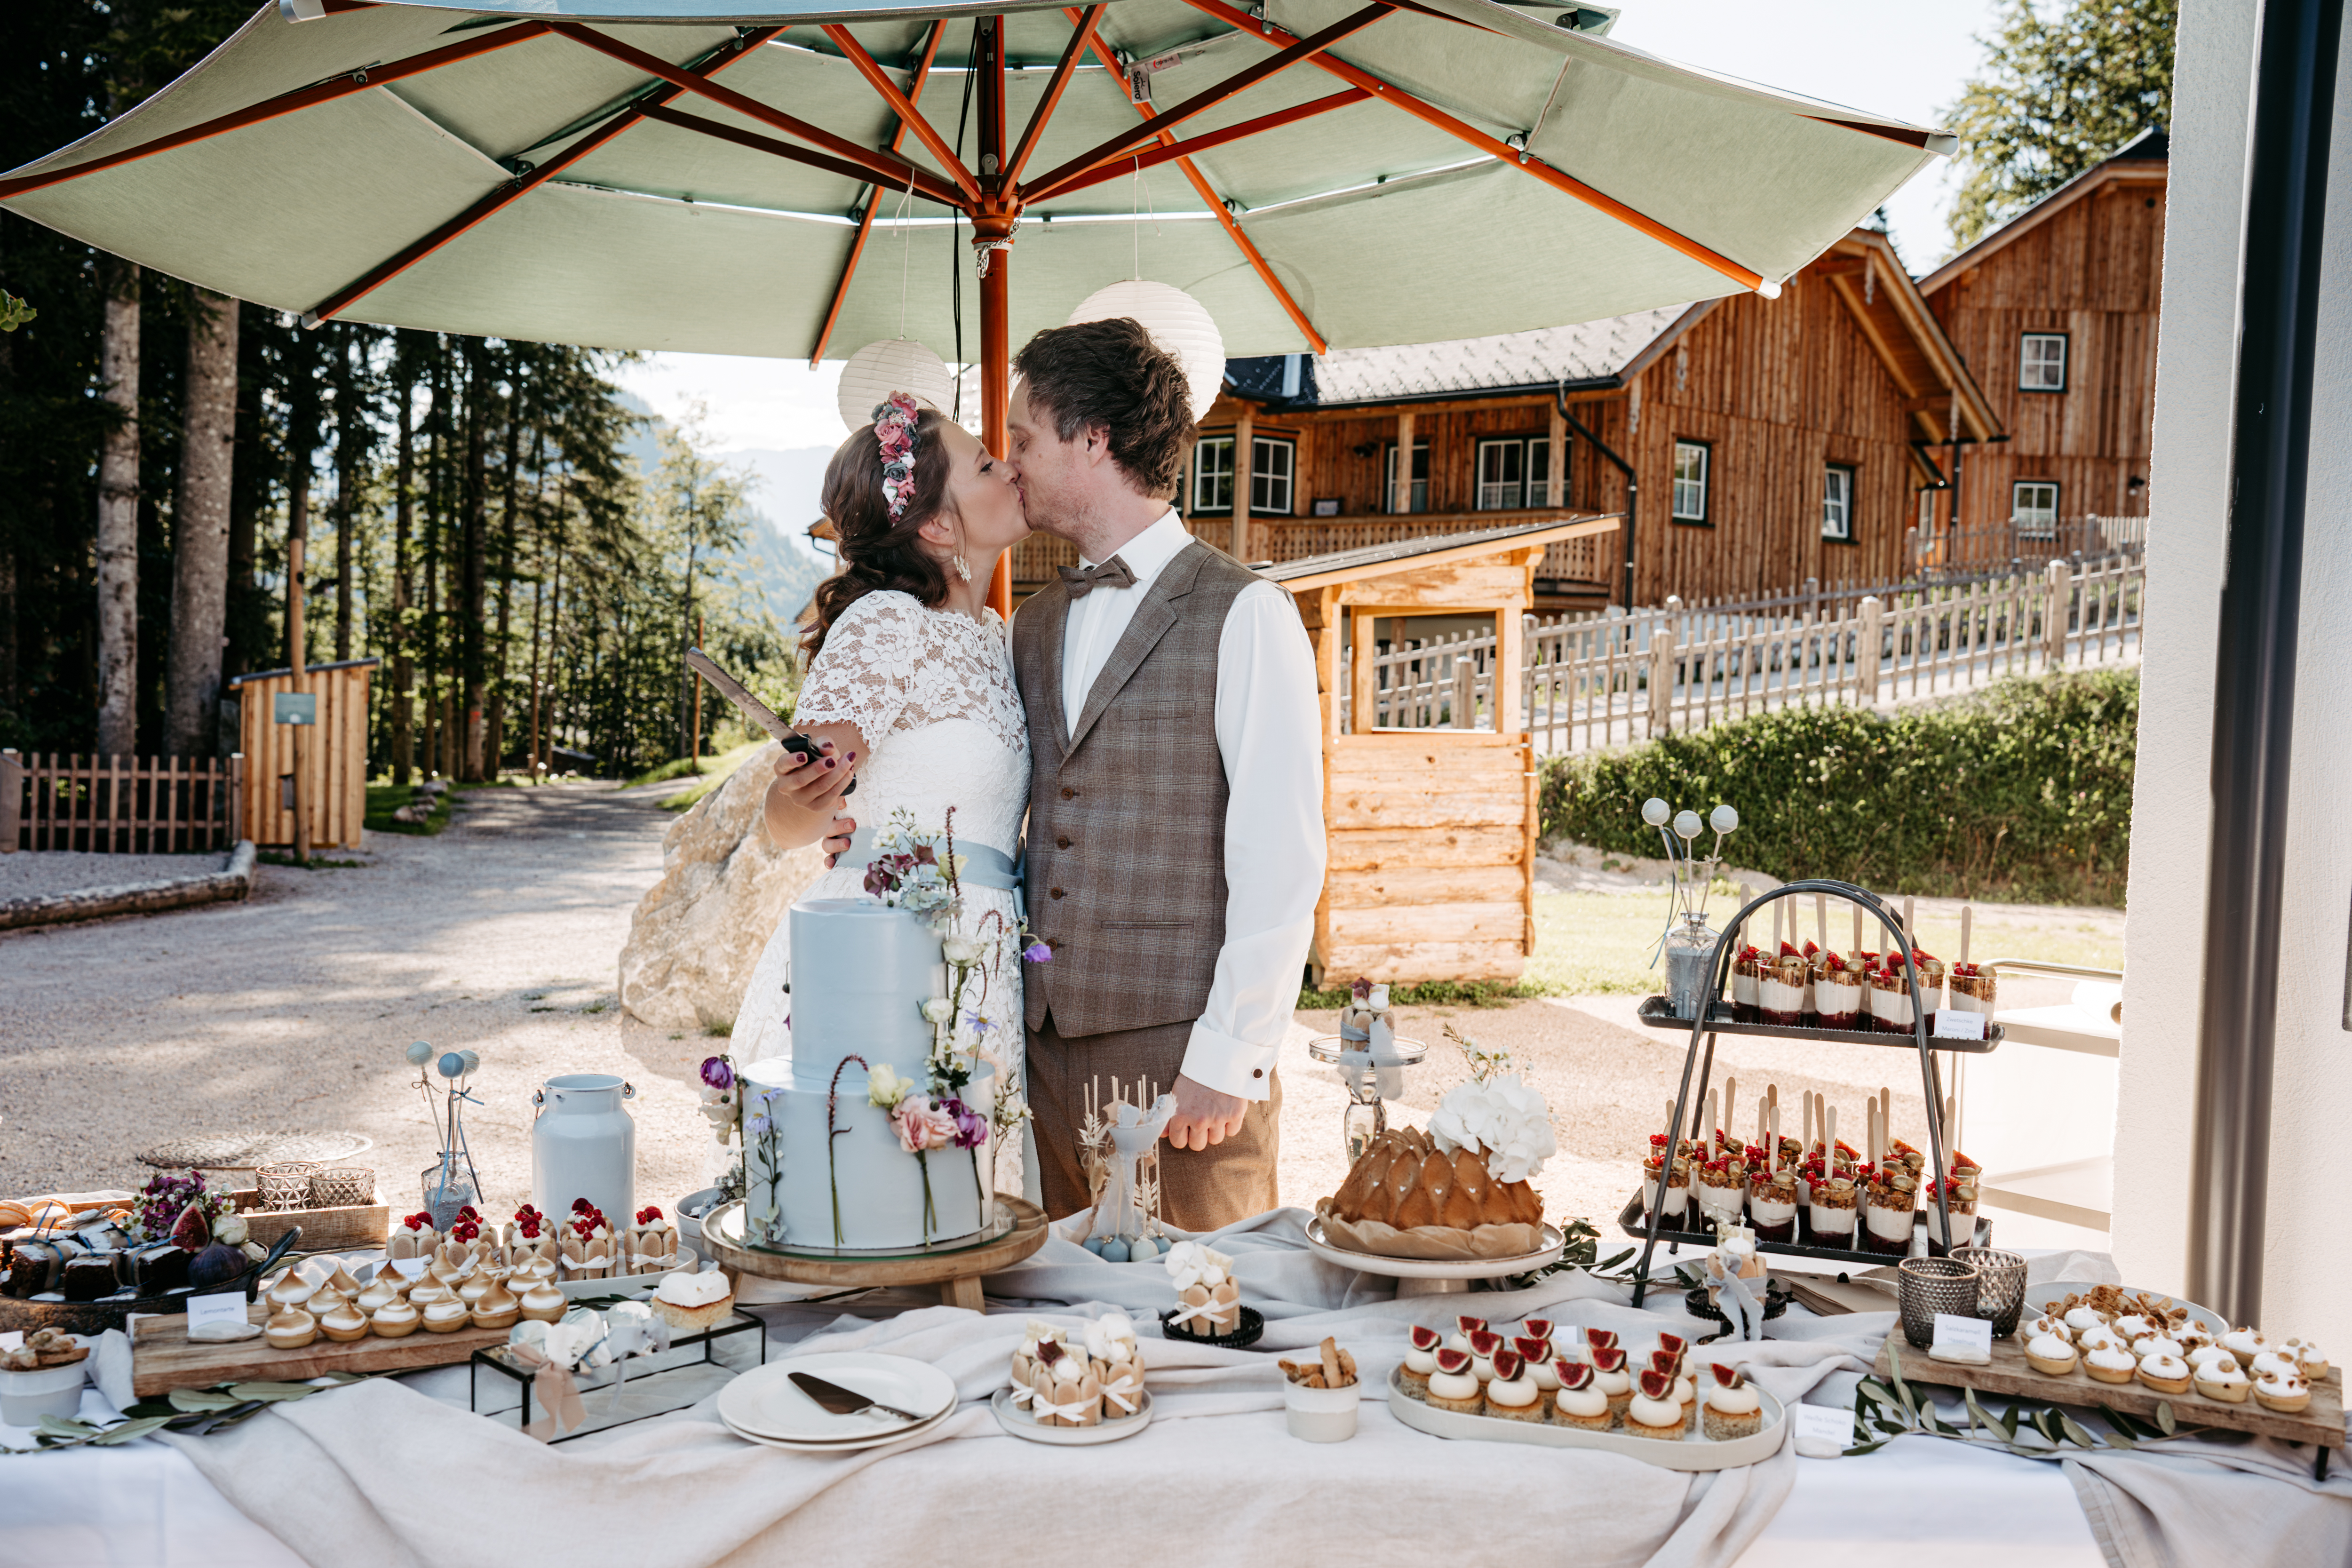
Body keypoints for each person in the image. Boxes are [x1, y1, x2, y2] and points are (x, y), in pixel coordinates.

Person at [823, 318, 1325, 1231]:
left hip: (1181, 1058)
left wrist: (1232, 1050)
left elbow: (1281, 852)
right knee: (1067, 1333)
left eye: (1020, 437)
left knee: (1202, 1324)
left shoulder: (1245, 611)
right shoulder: (1033, 624)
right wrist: (859, 821)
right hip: (1039, 1046)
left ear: (1092, 438)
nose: (1009, 463)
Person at [736, 392, 1037, 1201]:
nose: (1007, 468)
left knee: (971, 1212)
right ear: (937, 526)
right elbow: (790, 814)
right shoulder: (886, 623)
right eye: (983, 464)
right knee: (880, 1208)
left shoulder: (998, 638)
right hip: (892, 957)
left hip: (983, 960)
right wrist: (812, 799)